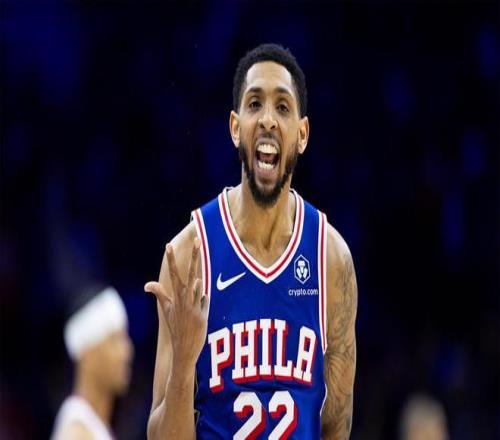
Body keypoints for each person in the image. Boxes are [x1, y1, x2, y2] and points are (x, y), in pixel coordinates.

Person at [145, 43, 358, 439]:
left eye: (283, 107)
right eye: (255, 103)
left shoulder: (331, 259)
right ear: (234, 127)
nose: (268, 120)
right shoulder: (191, 255)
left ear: (302, 135)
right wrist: (185, 366)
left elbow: (336, 427)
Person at [51, 286, 134, 440]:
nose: (126, 351)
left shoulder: (92, 426)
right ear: (86, 354)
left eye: (125, 338)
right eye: (115, 340)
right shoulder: (76, 433)